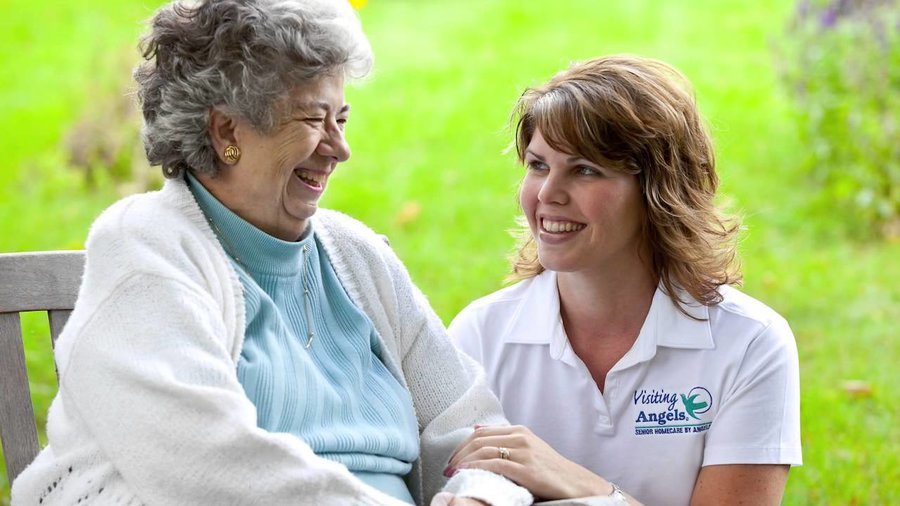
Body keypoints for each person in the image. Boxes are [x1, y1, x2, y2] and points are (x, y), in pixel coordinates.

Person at [10, 1, 533, 505]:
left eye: (342, 119)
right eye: (313, 120)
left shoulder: (355, 254)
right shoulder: (147, 248)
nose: (339, 147)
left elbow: (469, 419)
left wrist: (480, 495)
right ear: (227, 131)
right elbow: (208, 465)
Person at [446, 55, 802, 506]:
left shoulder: (749, 343)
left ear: (659, 191)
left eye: (585, 170)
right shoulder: (480, 336)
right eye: (538, 165)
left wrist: (589, 489)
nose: (547, 194)